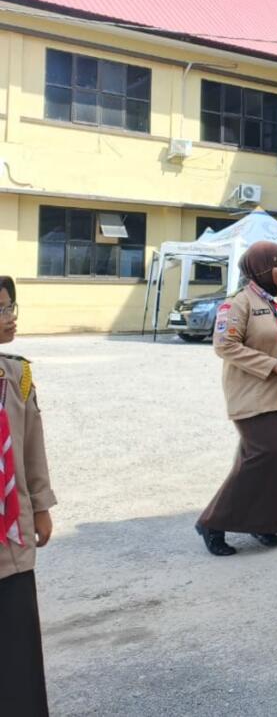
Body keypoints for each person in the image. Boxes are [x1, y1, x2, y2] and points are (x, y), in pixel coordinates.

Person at [197, 242, 277, 556]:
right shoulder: (238, 303)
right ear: (259, 267)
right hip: (255, 394)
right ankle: (213, 521)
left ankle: (265, 522)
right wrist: (272, 365)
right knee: (262, 456)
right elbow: (225, 345)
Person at [0, 276, 56, 717]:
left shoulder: (17, 375)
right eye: (1, 310)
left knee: (16, 643)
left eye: (10, 307)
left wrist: (40, 505)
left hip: (11, 537)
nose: (10, 318)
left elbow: (32, 446)